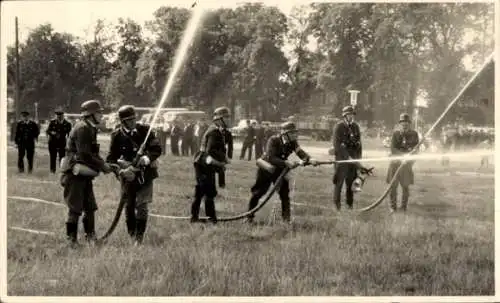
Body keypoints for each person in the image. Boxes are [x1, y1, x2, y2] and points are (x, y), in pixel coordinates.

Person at [60, 100, 114, 247]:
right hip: (75, 173)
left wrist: (104, 164)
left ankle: (91, 238)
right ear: (91, 114)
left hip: (84, 174)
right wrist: (103, 166)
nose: (101, 115)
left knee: (89, 207)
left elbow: (91, 153)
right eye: (99, 112)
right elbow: (85, 155)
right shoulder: (83, 128)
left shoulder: (89, 127)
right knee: (75, 208)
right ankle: (71, 241)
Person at [106, 105, 162, 245]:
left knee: (142, 205)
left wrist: (146, 159)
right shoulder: (116, 136)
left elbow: (157, 149)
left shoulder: (145, 130)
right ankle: (132, 235)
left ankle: (139, 238)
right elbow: (110, 159)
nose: (133, 122)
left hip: (145, 174)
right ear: (122, 122)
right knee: (129, 206)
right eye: (129, 120)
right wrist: (121, 171)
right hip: (127, 177)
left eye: (134, 119)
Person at [246, 121, 319, 224]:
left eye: (295, 132)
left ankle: (286, 220)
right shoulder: (273, 140)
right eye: (292, 133)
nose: (295, 135)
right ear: (285, 133)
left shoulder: (293, 142)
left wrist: (310, 159)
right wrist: (285, 162)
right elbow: (271, 158)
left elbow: (301, 153)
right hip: (266, 169)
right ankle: (249, 217)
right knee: (258, 193)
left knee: (284, 194)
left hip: (280, 170)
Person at [190, 106, 232, 224]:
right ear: (219, 119)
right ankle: (211, 219)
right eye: (226, 117)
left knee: (201, 191)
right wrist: (223, 160)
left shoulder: (217, 130)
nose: (229, 120)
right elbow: (210, 152)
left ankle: (194, 218)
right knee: (209, 192)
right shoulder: (214, 132)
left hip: (203, 163)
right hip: (203, 164)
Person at [386, 113, 420, 212]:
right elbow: (393, 149)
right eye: (402, 122)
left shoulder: (414, 134)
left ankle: (403, 207)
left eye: (406, 122)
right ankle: (393, 207)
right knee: (393, 186)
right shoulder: (395, 134)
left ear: (409, 123)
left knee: (405, 186)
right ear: (400, 123)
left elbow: (416, 150)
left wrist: (409, 161)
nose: (404, 124)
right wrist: (402, 156)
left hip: (406, 165)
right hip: (395, 163)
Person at [332, 105, 363, 210]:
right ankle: (337, 206)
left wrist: (358, 159)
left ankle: (350, 206)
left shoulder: (356, 127)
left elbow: (359, 145)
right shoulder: (339, 127)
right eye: (349, 114)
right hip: (342, 160)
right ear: (344, 116)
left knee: (351, 184)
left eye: (352, 114)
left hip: (353, 160)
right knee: (339, 184)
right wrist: (347, 157)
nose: (351, 116)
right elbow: (337, 145)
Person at [46, 107, 72, 173]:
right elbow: (48, 130)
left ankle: (61, 170)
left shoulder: (67, 124)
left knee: (62, 157)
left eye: (60, 115)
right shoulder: (52, 122)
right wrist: (52, 133)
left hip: (62, 143)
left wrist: (69, 144)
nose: (58, 117)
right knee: (53, 157)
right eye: (57, 115)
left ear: (62, 115)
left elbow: (70, 134)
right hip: (53, 142)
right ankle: (52, 170)